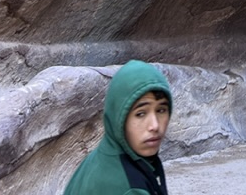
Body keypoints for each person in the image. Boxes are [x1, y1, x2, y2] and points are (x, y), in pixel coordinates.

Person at [64, 59, 172, 194]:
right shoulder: (129, 188)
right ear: (119, 118)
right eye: (140, 114)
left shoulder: (103, 157)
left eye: (161, 110)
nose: (154, 125)